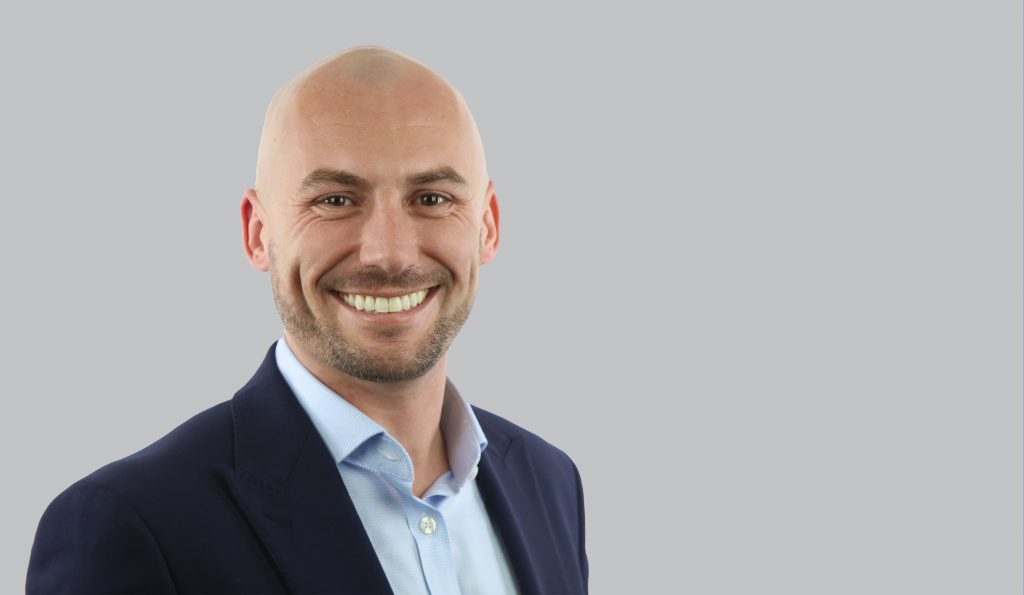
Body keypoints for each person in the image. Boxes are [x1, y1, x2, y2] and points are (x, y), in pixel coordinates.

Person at [27, 46, 588, 594]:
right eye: (336, 201)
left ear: (488, 225)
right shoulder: (128, 525)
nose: (390, 254)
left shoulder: (549, 482)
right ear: (257, 233)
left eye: (433, 199)